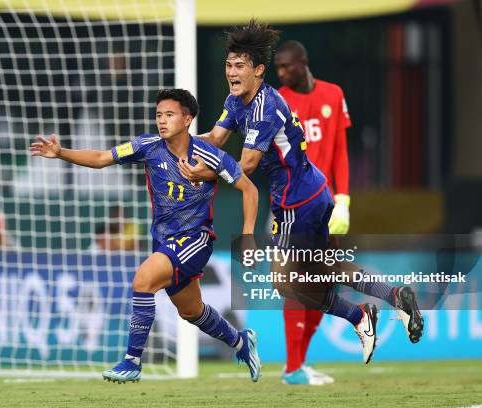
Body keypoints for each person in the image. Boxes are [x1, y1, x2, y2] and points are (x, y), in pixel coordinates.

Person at [178, 19, 423, 373]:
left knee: (286, 281)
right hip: (309, 191)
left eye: (239, 66)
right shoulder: (237, 100)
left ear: (258, 70)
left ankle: (360, 314)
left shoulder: (264, 108)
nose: (231, 71)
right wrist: (178, 143)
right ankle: (389, 299)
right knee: (318, 270)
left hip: (299, 201)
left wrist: (199, 173)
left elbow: (245, 164)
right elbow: (215, 138)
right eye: (228, 65)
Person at [30, 89, 262, 383]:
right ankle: (241, 342)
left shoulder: (212, 156)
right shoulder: (148, 147)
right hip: (165, 241)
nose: (162, 121)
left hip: (196, 239)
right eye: (158, 115)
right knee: (191, 311)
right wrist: (61, 152)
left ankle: (131, 362)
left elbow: (250, 190)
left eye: (169, 114)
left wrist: (248, 236)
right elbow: (102, 157)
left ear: (187, 119)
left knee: (143, 280)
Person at [272, 40, 352, 385]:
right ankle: (292, 367)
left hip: (328, 205)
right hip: (293, 205)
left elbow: (339, 151)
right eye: (277, 68)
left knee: (324, 283)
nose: (281, 73)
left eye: (286, 67)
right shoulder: (277, 100)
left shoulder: (334, 94)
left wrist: (345, 198)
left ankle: (299, 365)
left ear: (303, 63)